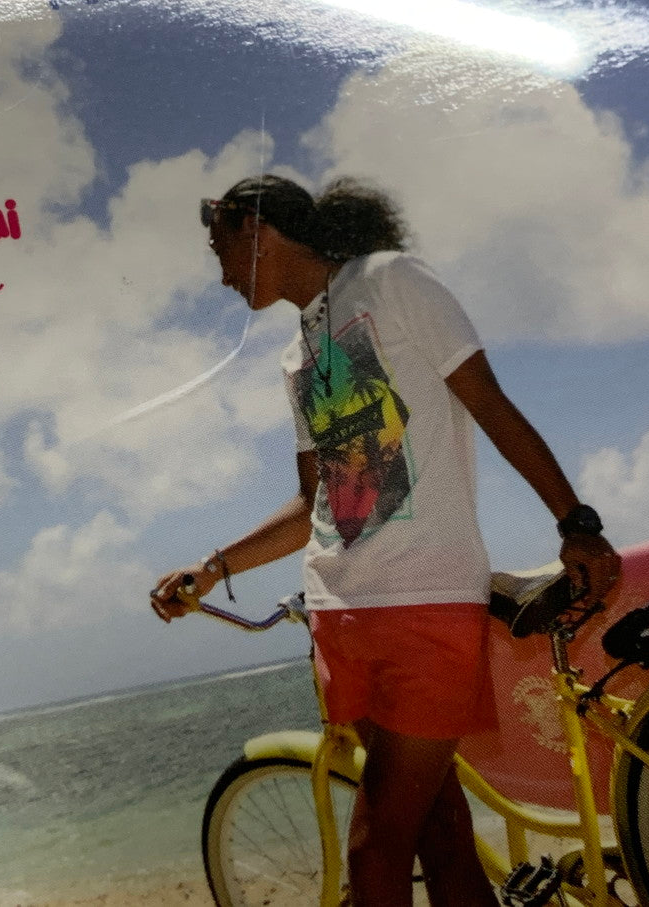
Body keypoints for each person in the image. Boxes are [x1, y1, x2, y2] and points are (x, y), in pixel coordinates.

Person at [150, 174, 621, 907]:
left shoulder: (392, 281)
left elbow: (488, 402)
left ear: (256, 230)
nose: (219, 274)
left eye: (221, 250)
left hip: (424, 603)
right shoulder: (298, 352)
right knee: (439, 832)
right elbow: (318, 500)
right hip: (342, 615)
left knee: (373, 851)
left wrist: (576, 522)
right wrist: (213, 568)